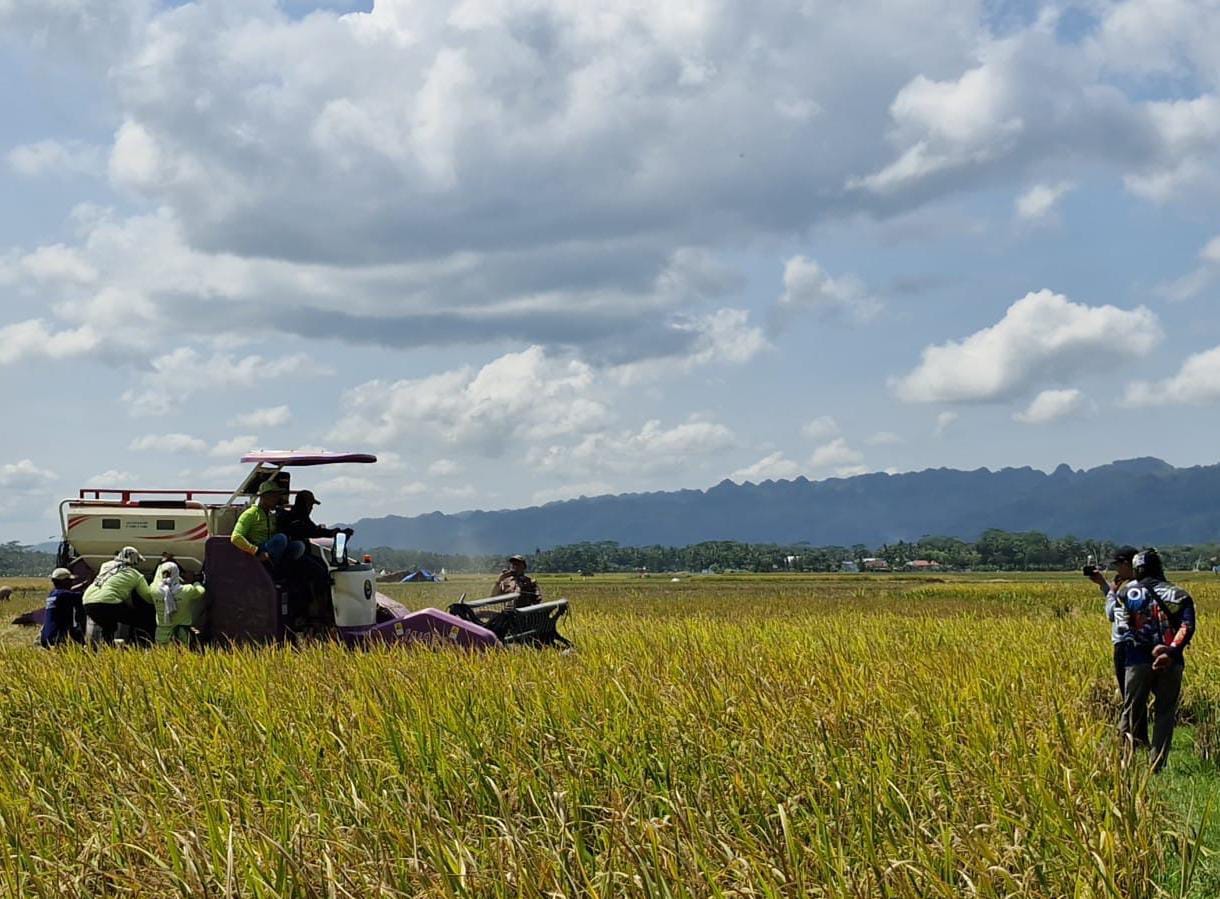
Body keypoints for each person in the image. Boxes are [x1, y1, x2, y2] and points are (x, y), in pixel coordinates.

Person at [1115, 548, 1197, 771]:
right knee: (1165, 712)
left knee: (1131, 709)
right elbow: (1187, 626)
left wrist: (1144, 646)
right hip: (1171, 661)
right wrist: (1169, 651)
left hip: (1137, 659)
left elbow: (1123, 626)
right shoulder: (1179, 594)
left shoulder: (1126, 593)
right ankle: (1156, 765)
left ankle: (1124, 761)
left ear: (1138, 569)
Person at [275, 490, 350, 626]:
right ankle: (319, 612)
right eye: (310, 505)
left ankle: (321, 608)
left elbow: (313, 529)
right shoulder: (294, 519)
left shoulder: (300, 517)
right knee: (319, 572)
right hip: (292, 559)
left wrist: (333, 533)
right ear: (303, 504)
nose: (311, 508)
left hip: (301, 555)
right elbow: (312, 531)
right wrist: (333, 533)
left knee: (322, 565)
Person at [1087, 546, 1137, 698]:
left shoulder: (1129, 589)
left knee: (1128, 692)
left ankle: (1133, 721)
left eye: (1117, 565)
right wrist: (1106, 586)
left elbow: (1112, 613)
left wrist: (1110, 590)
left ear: (1127, 564)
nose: (1116, 570)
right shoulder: (1143, 585)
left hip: (1125, 643)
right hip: (1141, 642)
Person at [81, 546, 157, 645]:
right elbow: (148, 598)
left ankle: (105, 648)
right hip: (108, 602)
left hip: (88, 601)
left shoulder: (106, 565)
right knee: (140, 620)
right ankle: (143, 644)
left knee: (109, 626)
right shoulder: (136, 575)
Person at [230, 480, 304, 572]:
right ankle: (273, 571)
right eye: (273, 496)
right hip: (258, 551)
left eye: (277, 496)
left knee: (298, 546)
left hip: (271, 551)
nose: (276, 499)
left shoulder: (271, 515)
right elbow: (236, 537)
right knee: (281, 538)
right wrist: (256, 552)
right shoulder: (250, 514)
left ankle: (282, 571)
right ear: (263, 497)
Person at [150, 560, 206, 645]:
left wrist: (161, 564)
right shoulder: (187, 590)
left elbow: (156, 580)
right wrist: (195, 581)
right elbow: (201, 591)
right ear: (177, 574)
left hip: (162, 636)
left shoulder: (154, 590)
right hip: (181, 636)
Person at [40, 567, 85, 647]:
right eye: (70, 580)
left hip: (46, 637)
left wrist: (82, 584)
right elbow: (83, 596)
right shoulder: (64, 595)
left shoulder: (53, 594)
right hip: (57, 638)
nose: (72, 582)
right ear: (64, 582)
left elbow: (69, 591)